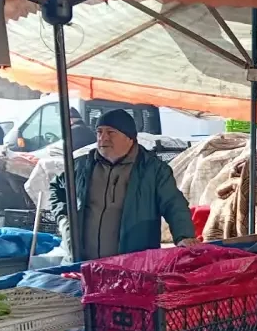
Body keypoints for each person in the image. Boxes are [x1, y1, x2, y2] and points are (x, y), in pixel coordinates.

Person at [50, 109, 195, 260]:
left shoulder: (153, 170)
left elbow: (173, 204)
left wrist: (184, 236)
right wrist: (64, 220)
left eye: (111, 132)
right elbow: (56, 188)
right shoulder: (80, 166)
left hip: (132, 266)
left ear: (129, 138)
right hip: (82, 266)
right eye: (99, 132)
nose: (103, 138)